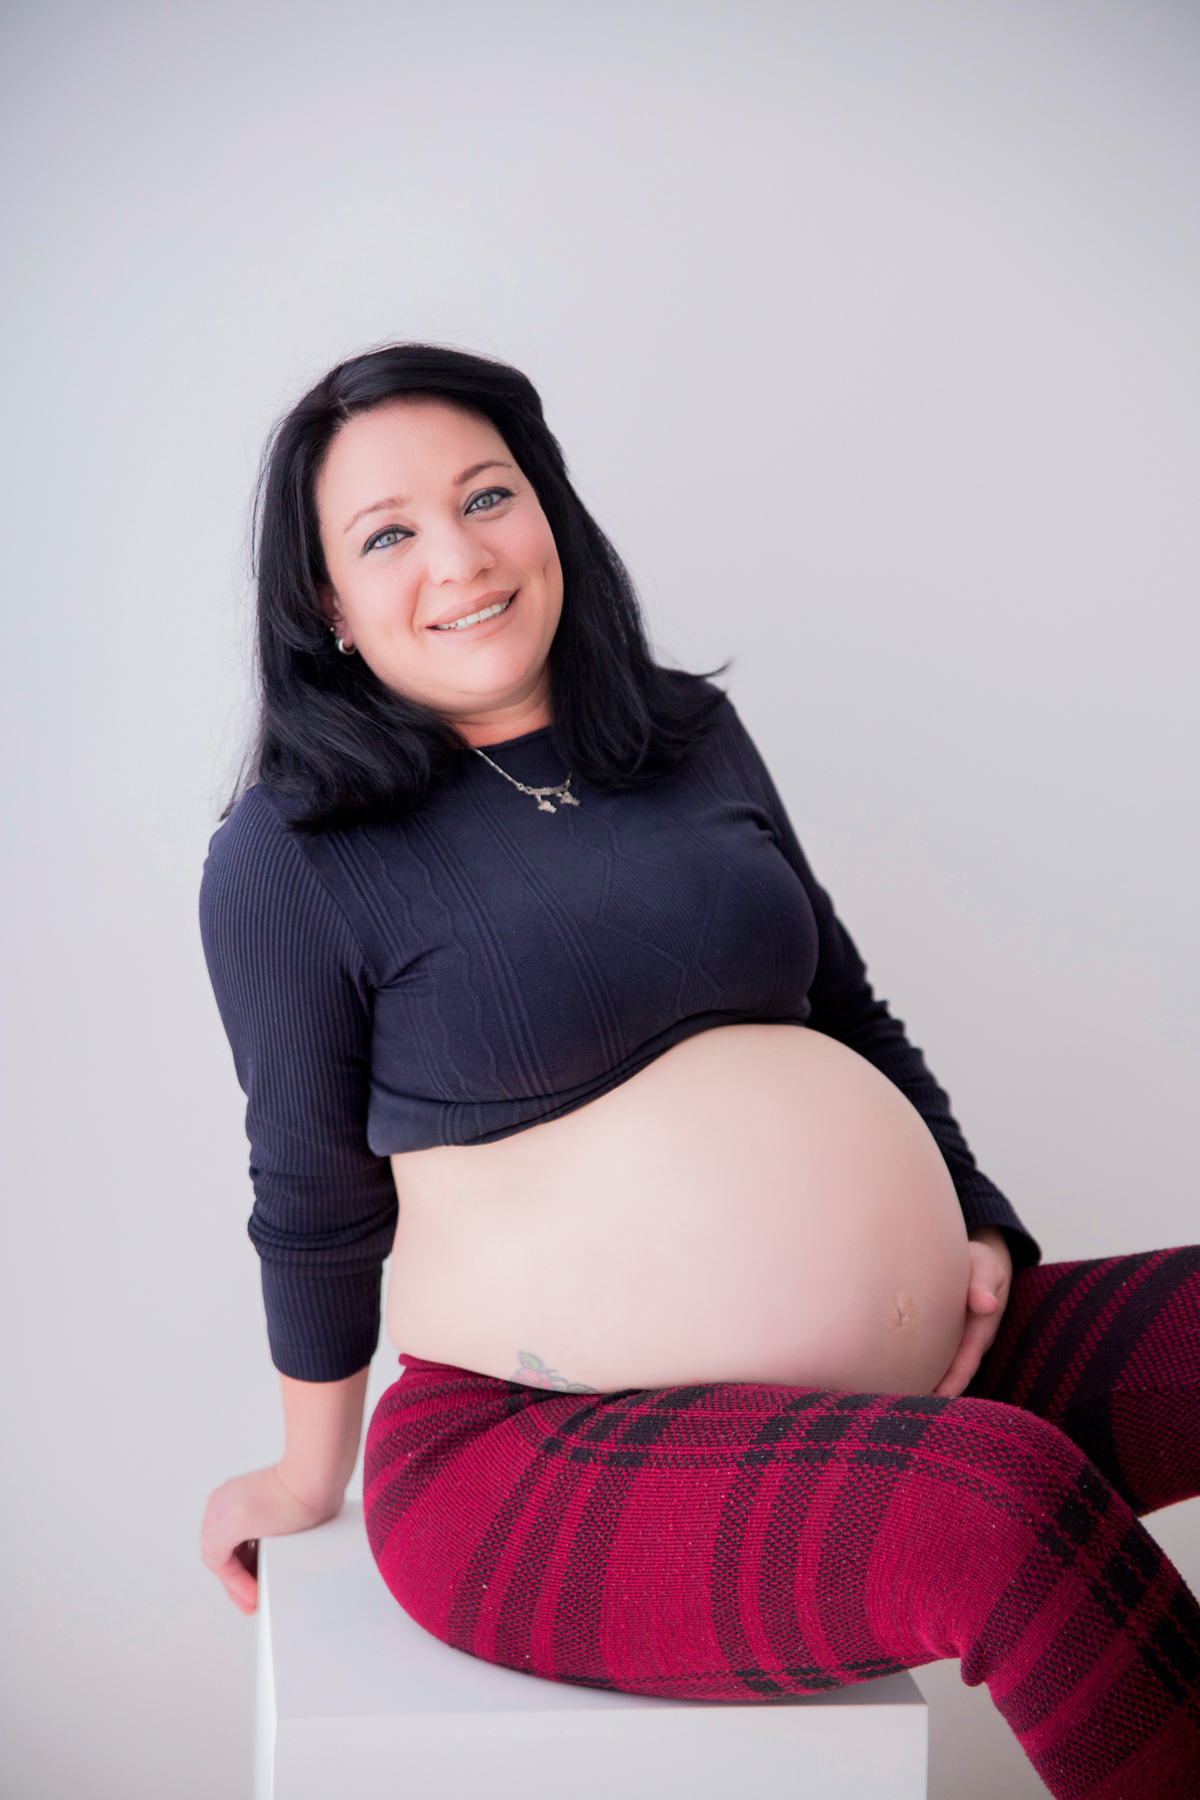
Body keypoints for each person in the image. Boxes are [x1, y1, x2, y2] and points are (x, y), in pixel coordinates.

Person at [199, 344, 1200, 1799]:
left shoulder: (682, 738)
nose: (461, 555)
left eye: (491, 495)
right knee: (1007, 1503)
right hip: (528, 1450)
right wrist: (304, 1479)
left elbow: (848, 1010)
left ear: (550, 513)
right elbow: (309, 1196)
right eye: (389, 533)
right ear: (326, 606)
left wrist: (974, 1222)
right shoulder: (291, 857)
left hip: (899, 1365)